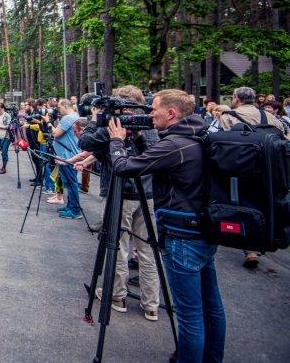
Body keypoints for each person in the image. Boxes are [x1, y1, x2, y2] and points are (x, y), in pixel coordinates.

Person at [107, 89, 224, 363]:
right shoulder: (200, 135)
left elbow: (124, 167)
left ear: (171, 113)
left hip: (182, 235)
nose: (150, 114)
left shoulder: (175, 145)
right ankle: (211, 358)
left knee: (190, 314)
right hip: (203, 230)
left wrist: (116, 142)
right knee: (211, 307)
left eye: (155, 109)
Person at [75, 85, 161, 321]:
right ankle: (151, 304)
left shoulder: (116, 126)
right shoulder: (149, 124)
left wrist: (95, 120)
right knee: (148, 249)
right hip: (148, 193)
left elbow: (85, 142)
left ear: (120, 104)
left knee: (119, 245)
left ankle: (117, 296)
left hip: (120, 192)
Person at [218, 86, 290, 270]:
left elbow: (223, 143)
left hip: (240, 170)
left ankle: (249, 247)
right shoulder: (270, 117)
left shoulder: (229, 117)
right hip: (268, 170)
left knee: (243, 205)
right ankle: (266, 237)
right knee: (264, 204)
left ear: (236, 98)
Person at [49, 99, 83, 219]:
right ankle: (70, 206)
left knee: (71, 184)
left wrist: (48, 124)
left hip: (67, 156)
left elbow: (56, 133)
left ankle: (75, 210)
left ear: (65, 106)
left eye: (59, 107)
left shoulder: (68, 118)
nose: (58, 110)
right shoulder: (75, 116)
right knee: (69, 183)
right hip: (67, 155)